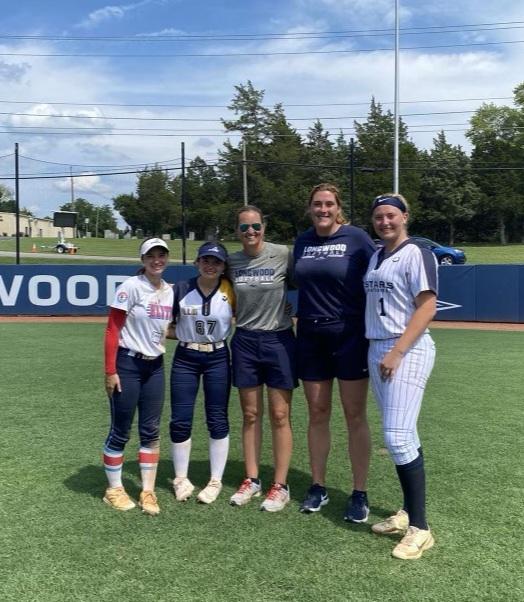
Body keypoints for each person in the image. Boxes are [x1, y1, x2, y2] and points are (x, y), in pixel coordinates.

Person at [293, 183, 376, 520]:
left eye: (328, 204)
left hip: (349, 334)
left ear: (337, 207)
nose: (323, 210)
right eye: (317, 204)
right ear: (310, 208)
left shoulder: (357, 238)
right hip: (311, 334)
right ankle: (318, 486)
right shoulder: (302, 241)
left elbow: (381, 273)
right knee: (317, 412)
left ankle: (359, 492)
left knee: (354, 414)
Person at [364, 193, 437, 560]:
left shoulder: (416, 252)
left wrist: (397, 351)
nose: (385, 222)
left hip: (404, 348)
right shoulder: (377, 255)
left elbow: (427, 306)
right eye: (378, 216)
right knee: (404, 434)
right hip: (378, 346)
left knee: (395, 435)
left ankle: (421, 529)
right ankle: (408, 512)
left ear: (405, 216)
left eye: (391, 215)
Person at [228, 205, 297, 512]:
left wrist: (291, 309)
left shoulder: (283, 254)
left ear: (264, 227)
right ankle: (252, 479)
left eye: (255, 226)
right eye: (244, 228)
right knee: (251, 414)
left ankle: (280, 486)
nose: (251, 232)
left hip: (279, 340)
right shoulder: (231, 262)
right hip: (244, 340)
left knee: (280, 415)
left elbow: (304, 283)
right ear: (237, 232)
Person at [103, 237, 173, 516]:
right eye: (151, 256)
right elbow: (112, 330)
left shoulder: (169, 291)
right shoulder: (131, 287)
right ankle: (114, 490)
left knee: (151, 430)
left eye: (162, 255)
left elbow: (166, 329)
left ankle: (147, 490)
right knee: (121, 430)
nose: (157, 260)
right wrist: (110, 371)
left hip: (155, 366)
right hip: (128, 364)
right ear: (142, 260)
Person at [169, 242, 234, 505]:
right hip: (185, 357)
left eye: (216, 262)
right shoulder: (181, 289)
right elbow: (162, 324)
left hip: (218, 356)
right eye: (206, 260)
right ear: (197, 263)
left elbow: (249, 315)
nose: (210, 265)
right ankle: (180, 477)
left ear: (223, 267)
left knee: (217, 417)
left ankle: (215, 480)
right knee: (181, 418)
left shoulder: (231, 290)